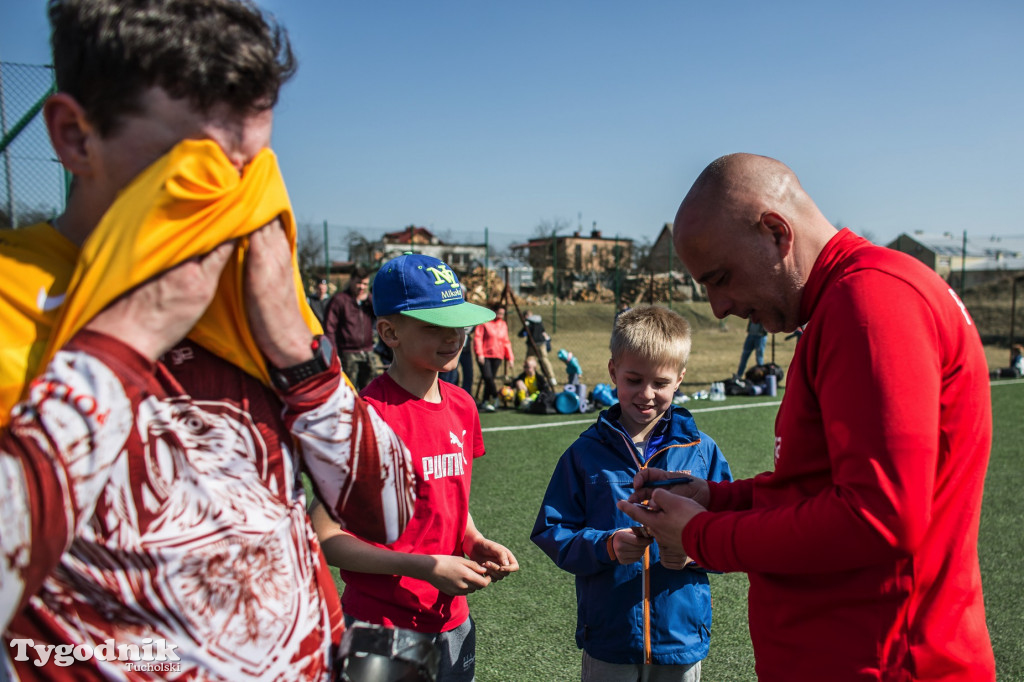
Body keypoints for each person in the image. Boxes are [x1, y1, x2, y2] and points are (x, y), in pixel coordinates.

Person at [0, 1, 416, 678]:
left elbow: (391, 513)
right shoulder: (13, 300)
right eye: (191, 169)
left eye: (249, 171)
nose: (230, 204)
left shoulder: (254, 302)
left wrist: (293, 348)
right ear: (76, 137)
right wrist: (126, 336)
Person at [620, 153, 995, 681]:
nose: (719, 307)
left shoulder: (869, 303)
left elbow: (879, 515)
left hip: (883, 662)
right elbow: (822, 486)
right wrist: (717, 498)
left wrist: (701, 535)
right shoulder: (853, 299)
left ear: (777, 232)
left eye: (721, 278)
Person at [310, 253, 519, 682]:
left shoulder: (462, 405)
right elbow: (324, 537)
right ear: (389, 332)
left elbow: (447, 497)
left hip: (452, 620)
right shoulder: (366, 420)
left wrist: (473, 539)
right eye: (434, 326)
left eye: (458, 324)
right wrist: (422, 566)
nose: (453, 337)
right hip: (382, 627)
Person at [532, 305, 732, 681]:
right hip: (610, 638)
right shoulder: (584, 454)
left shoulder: (702, 450)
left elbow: (732, 531)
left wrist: (693, 551)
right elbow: (552, 531)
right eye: (634, 379)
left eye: (660, 383)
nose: (646, 394)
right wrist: (606, 545)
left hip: (680, 639)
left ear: (680, 380)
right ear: (613, 373)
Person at [324, 266, 377, 390]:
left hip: (368, 351)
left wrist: (369, 298)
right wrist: (333, 352)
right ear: (351, 280)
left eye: (365, 284)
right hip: (348, 353)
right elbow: (329, 328)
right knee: (349, 389)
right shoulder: (340, 300)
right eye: (358, 282)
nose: (361, 287)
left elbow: (380, 314)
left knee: (370, 389)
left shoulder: (368, 301)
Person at [473, 304, 514, 412]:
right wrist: (479, 353)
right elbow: (478, 338)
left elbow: (506, 341)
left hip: (498, 355)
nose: (501, 316)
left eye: (503, 314)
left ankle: (485, 401)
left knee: (490, 379)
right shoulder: (484, 322)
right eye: (499, 313)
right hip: (485, 355)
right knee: (487, 377)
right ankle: (496, 397)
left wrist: (510, 357)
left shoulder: (503, 324)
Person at [518, 309, 557, 387]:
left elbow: (522, 333)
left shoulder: (528, 322)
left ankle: (527, 376)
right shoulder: (539, 321)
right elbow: (543, 331)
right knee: (544, 360)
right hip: (542, 343)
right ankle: (551, 378)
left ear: (526, 316)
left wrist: (523, 332)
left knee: (529, 361)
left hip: (533, 345)